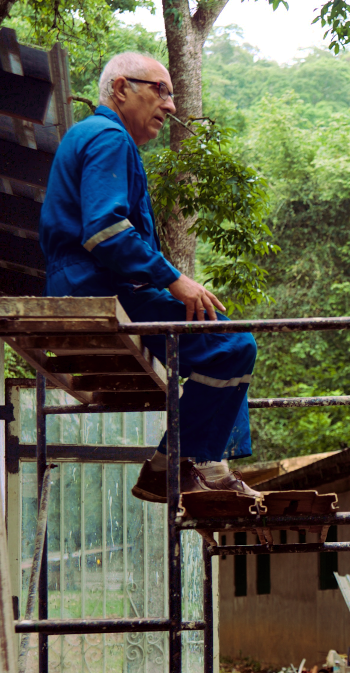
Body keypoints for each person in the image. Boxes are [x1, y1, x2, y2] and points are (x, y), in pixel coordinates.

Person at [39, 52, 259, 503]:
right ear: (121, 89)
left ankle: (202, 464)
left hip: (91, 284)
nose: (172, 105)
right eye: (160, 89)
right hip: (99, 289)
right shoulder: (108, 137)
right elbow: (106, 231)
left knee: (225, 336)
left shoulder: (97, 137)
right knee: (233, 344)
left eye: (173, 93)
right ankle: (176, 466)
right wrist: (174, 279)